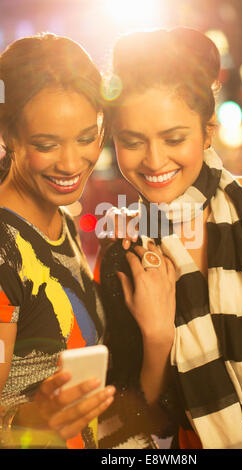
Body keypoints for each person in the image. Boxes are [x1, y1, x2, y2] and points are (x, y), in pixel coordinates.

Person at [95, 28, 242, 449]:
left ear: (207, 131)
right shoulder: (126, 252)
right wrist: (157, 339)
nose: (154, 162)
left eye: (174, 139)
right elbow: (137, 424)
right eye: (132, 142)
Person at [0, 33, 118, 449]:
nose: (71, 164)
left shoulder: (57, 214)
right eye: (46, 145)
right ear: (8, 135)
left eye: (87, 138)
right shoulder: (4, 251)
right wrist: (27, 425)